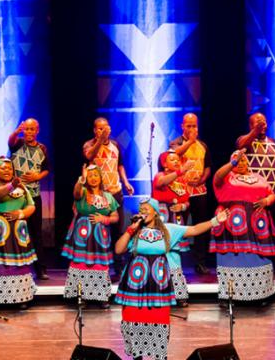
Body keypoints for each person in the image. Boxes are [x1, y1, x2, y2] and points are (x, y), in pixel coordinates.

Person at [114, 198, 227, 360]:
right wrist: (131, 229)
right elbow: (119, 249)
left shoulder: (168, 230)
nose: (143, 211)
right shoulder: (135, 230)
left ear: (155, 211)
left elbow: (194, 229)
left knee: (158, 319)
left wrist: (215, 221)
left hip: (158, 284)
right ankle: (137, 356)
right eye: (141, 209)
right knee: (134, 319)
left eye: (146, 208)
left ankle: (159, 356)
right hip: (135, 283)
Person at [211, 149, 275, 306]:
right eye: (237, 160)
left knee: (259, 256)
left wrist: (266, 201)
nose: (240, 162)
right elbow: (217, 176)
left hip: (257, 223)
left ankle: (261, 293)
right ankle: (228, 295)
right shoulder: (226, 176)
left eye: (243, 160)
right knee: (230, 257)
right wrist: (233, 162)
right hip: (231, 222)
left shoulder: (258, 177)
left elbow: (271, 194)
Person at [236, 113, 275, 274]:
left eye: (264, 121)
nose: (262, 124)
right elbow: (241, 146)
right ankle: (254, 262)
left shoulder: (273, 143)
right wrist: (254, 132)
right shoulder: (246, 140)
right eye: (258, 122)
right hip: (251, 195)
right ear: (251, 125)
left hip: (272, 194)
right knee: (252, 228)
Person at [0, 158, 39, 309]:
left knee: (17, 264)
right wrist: (10, 187)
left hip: (17, 232)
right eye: (3, 168)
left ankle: (19, 297)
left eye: (10, 168)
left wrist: (19, 213)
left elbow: (31, 206)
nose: (7, 170)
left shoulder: (21, 187)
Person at [62, 164, 119, 308]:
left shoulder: (108, 197)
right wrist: (81, 179)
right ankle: (83, 297)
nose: (93, 178)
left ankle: (102, 297)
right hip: (83, 234)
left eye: (96, 175)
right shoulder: (82, 192)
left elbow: (115, 216)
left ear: (101, 177)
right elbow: (76, 192)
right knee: (82, 264)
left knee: (99, 265)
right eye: (90, 175)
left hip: (100, 236)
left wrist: (104, 219)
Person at [84, 117, 134, 275]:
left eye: (105, 129)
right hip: (98, 195)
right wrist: (100, 139)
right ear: (95, 130)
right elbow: (89, 156)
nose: (103, 131)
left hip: (116, 193)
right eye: (99, 129)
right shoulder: (90, 144)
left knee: (118, 232)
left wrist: (126, 183)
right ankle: (99, 268)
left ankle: (119, 268)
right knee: (98, 232)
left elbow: (120, 166)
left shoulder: (115, 145)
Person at [169, 113, 213, 275]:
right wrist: (191, 142)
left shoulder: (202, 145)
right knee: (178, 227)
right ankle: (175, 263)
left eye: (194, 126)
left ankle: (200, 263)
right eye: (189, 126)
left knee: (201, 227)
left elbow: (208, 166)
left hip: (199, 192)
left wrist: (202, 180)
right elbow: (175, 155)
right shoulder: (176, 143)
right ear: (182, 127)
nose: (192, 129)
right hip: (180, 193)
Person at [9, 118, 52, 280]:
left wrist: (37, 176)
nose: (28, 132)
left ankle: (40, 269)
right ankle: (17, 267)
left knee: (36, 234)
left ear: (37, 131)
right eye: (26, 129)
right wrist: (15, 132)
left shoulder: (42, 148)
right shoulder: (18, 143)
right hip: (16, 196)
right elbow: (11, 141)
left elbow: (46, 169)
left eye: (31, 129)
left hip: (33, 197)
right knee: (16, 232)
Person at [152, 151, 196, 307]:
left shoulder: (181, 180)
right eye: (173, 160)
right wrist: (180, 171)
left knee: (175, 257)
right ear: (165, 164)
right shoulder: (159, 175)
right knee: (159, 255)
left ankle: (179, 294)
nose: (177, 162)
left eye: (178, 160)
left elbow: (187, 201)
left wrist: (183, 206)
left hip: (176, 217)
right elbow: (161, 183)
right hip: (162, 216)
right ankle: (159, 293)